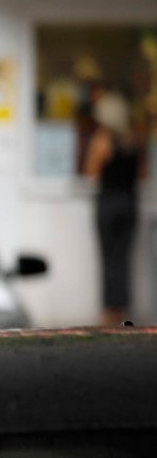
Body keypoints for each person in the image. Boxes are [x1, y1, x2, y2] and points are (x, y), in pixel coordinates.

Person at [83, 91, 147, 326]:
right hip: (130, 202)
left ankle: (109, 312)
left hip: (109, 202)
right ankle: (124, 311)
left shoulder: (102, 140)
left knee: (108, 259)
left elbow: (90, 170)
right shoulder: (135, 139)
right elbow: (143, 173)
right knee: (124, 258)